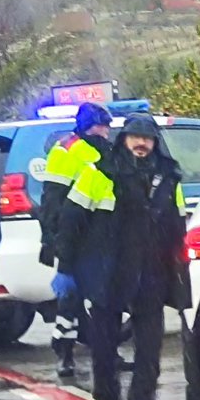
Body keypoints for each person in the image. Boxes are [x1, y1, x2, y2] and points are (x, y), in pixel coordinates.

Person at [55, 115, 185, 400]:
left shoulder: (169, 177)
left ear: (155, 143)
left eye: (148, 139)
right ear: (123, 140)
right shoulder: (99, 173)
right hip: (108, 275)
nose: (142, 144)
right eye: (135, 138)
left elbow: (176, 226)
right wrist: (65, 268)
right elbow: (71, 221)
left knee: (149, 356)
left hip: (151, 275)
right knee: (103, 352)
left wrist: (179, 271)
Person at [39, 102, 113, 377]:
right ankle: (64, 352)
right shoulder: (67, 151)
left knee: (102, 298)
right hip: (72, 234)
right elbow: (53, 200)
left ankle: (107, 352)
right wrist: (55, 239)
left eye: (106, 127)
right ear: (87, 127)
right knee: (70, 299)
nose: (105, 132)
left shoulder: (102, 149)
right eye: (100, 126)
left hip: (98, 234)